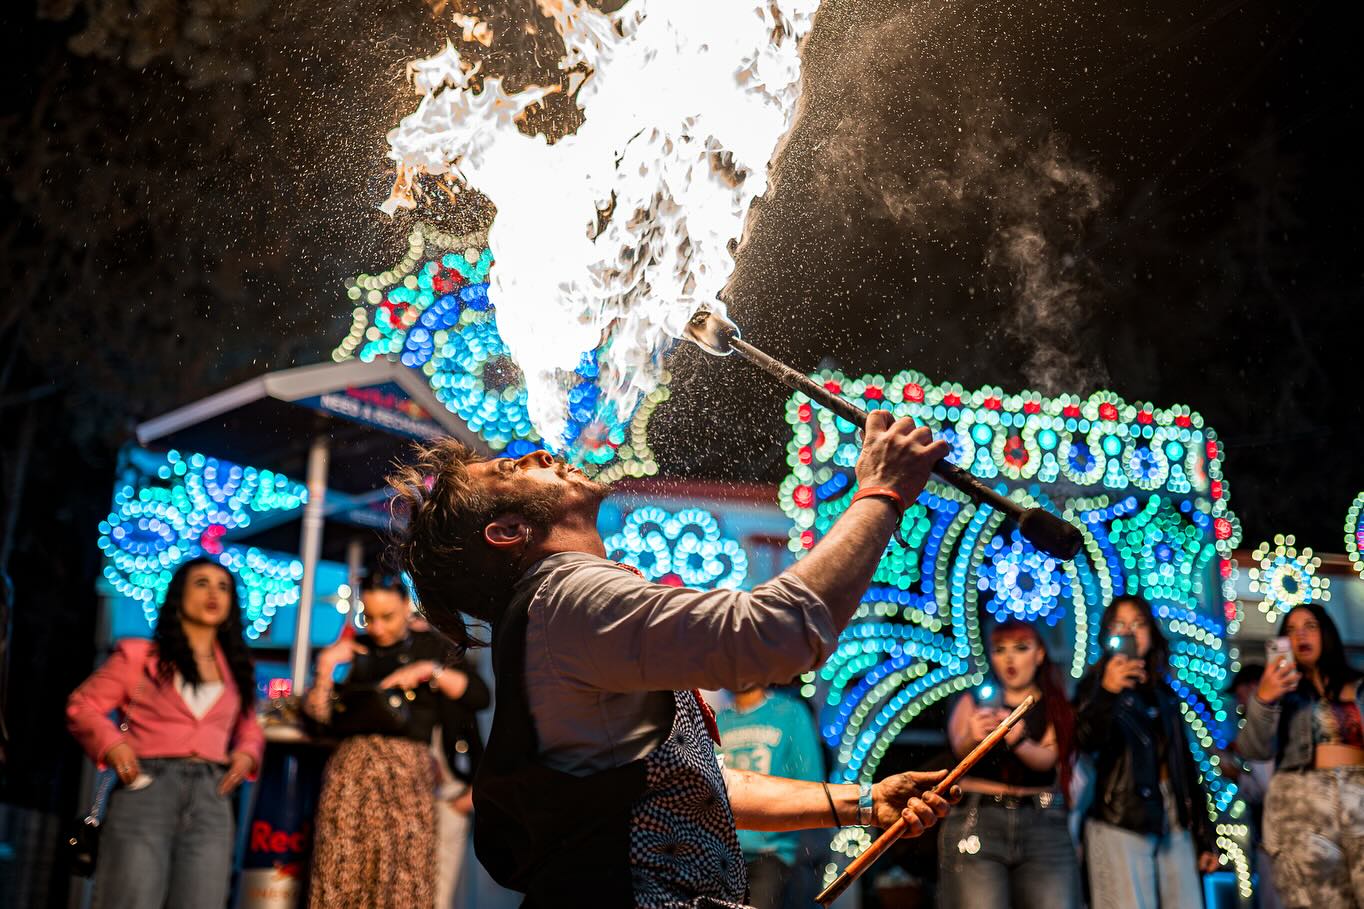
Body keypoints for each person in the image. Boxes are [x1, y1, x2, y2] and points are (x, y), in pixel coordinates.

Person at [385, 410, 960, 906]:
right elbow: (775, 633)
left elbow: (692, 780)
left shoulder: (555, 610)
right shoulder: (567, 595)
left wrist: (862, 802)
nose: (535, 452)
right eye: (511, 470)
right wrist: (881, 493)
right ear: (508, 530)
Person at [66, 558, 265, 908]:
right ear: (179, 595)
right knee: (131, 899)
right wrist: (113, 746)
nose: (214, 593)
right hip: (148, 786)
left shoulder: (237, 666)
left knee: (201, 901)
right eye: (201, 583)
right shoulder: (140, 656)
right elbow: (82, 706)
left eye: (223, 587)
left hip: (212, 794)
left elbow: (249, 725)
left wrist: (247, 753)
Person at [303, 569, 490, 909]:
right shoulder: (355, 649)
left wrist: (429, 672)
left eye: (387, 616)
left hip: (407, 779)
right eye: (369, 617)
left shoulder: (430, 647)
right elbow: (318, 722)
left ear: (406, 606)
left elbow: (478, 695)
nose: (377, 628)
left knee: (403, 881)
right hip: (350, 778)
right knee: (342, 875)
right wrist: (325, 669)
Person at [1074, 594, 1219, 909]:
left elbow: (1186, 766)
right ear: (1107, 633)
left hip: (1172, 817)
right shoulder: (1093, 686)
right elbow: (1085, 742)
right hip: (1119, 816)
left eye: (1138, 624)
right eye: (1120, 624)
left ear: (1152, 633)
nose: (1130, 631)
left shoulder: (1165, 693)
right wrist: (1108, 693)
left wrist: (1205, 834)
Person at [937, 618, 1081, 908]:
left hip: (1042, 820)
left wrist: (1018, 740)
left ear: (1040, 654)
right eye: (1000, 649)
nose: (1010, 658)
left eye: (1021, 648)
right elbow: (957, 749)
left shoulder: (1053, 703)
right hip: (978, 817)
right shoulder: (975, 699)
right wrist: (974, 736)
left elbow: (1048, 759)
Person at [1239, 603, 1364, 909]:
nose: (1300, 636)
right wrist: (1265, 700)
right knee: (1319, 900)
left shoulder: (1359, 686)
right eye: (1291, 631)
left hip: (1360, 799)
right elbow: (1254, 748)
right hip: (1303, 807)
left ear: (1327, 633)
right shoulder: (1281, 693)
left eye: (1310, 626)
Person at [713, 684, 825, 909]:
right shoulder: (716, 721)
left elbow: (810, 781)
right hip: (722, 858)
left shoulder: (790, 712)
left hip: (772, 855)